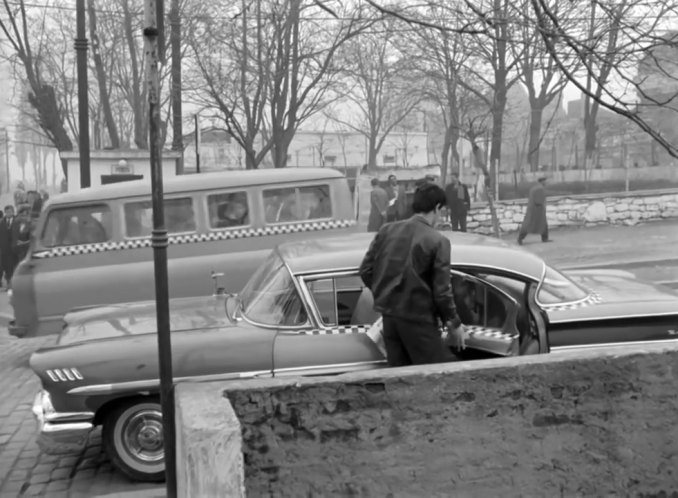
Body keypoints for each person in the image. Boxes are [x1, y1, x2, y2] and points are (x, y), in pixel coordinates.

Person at [359, 183, 467, 367]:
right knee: (440, 373)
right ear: (437, 208)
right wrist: (455, 324)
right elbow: (442, 291)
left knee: (400, 376)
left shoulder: (386, 231)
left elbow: (366, 270)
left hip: (390, 320)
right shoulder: (438, 241)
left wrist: (386, 293)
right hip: (419, 322)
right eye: (441, 211)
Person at [518, 177, 551, 245]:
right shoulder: (540, 189)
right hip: (537, 210)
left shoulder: (535, 188)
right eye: (545, 181)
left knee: (540, 224)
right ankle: (520, 238)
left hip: (533, 209)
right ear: (542, 181)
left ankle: (544, 238)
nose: (546, 183)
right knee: (530, 225)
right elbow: (539, 201)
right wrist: (543, 205)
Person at [0, 205, 15, 287]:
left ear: (13, 212)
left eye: (10, 211)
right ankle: (8, 282)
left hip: (14, 248)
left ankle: (11, 283)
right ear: (5, 213)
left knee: (12, 266)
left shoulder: (16, 221)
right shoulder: (2, 223)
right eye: (7, 212)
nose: (9, 213)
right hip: (4, 248)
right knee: (5, 265)